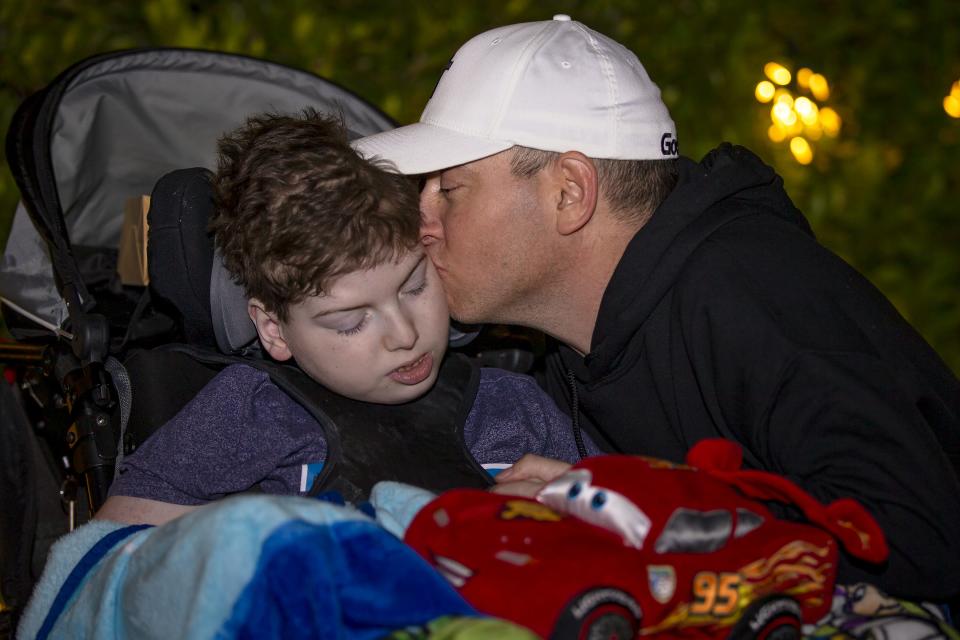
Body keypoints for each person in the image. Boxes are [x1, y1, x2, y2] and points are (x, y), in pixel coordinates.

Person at [353, 16, 960, 602]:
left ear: (569, 192)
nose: (422, 223)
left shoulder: (750, 292)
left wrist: (628, 509)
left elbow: (915, 543)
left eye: (448, 190)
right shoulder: (559, 343)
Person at [95, 110, 600, 527]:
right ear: (273, 329)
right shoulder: (251, 411)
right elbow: (110, 553)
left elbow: (643, 523)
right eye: (348, 322)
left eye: (415, 286)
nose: (405, 336)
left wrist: (585, 502)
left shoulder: (516, 405)